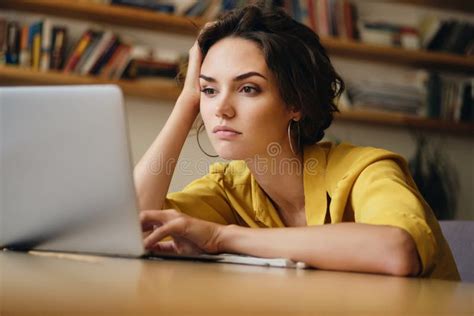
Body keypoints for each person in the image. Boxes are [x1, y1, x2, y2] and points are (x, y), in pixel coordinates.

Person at [134, 4, 459, 280]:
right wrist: (186, 102)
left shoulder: (367, 170)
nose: (221, 109)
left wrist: (223, 237)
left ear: (295, 104)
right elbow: (133, 225)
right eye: (209, 90)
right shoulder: (229, 188)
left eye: (248, 88)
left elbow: (396, 251)